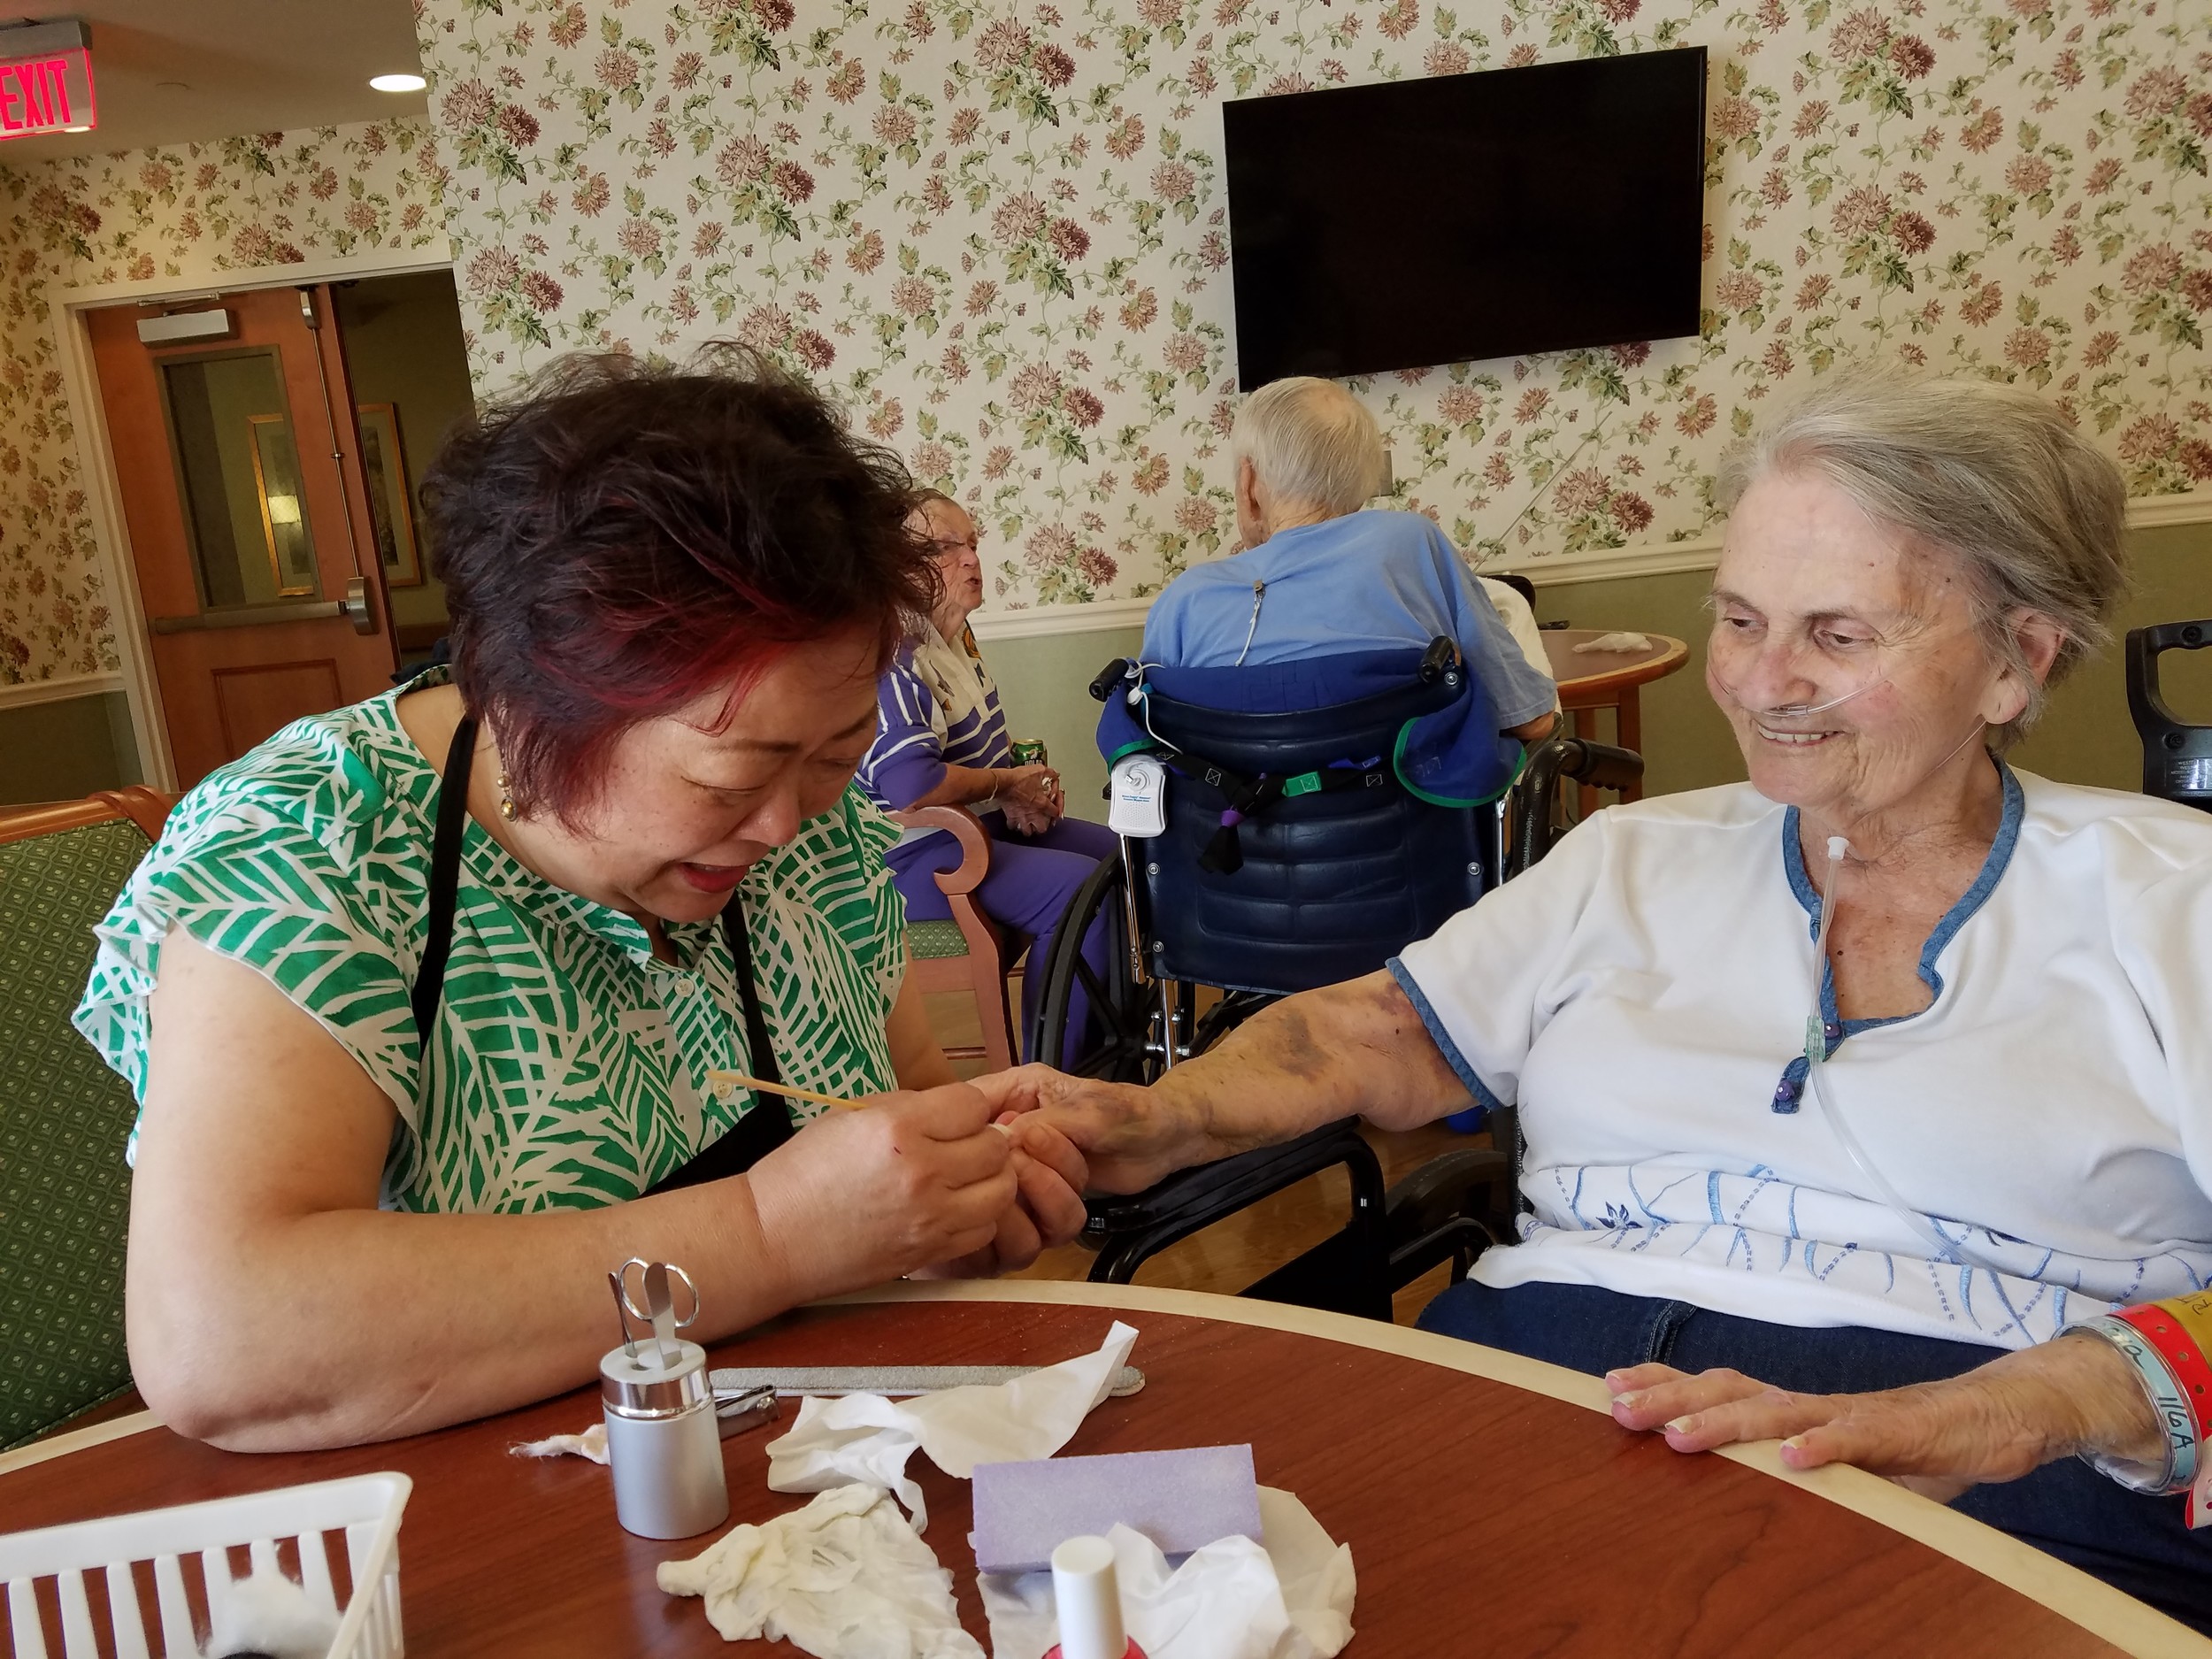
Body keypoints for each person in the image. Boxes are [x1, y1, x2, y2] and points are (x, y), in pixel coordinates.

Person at [983, 371, 2212, 1628]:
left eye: (1838, 635)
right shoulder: (1632, 857)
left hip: (1993, 1451)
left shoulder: (2175, 899)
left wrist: (2004, 1412)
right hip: (1561, 1386)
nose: (1761, 680)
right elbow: (1387, 1024)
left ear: (2019, 661)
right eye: (1741, 618)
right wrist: (1150, 1118)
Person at [76, 351, 1088, 1453]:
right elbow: (222, 1339)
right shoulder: (311, 846)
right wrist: (770, 1234)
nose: (790, 826)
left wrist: (948, 1204)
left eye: (837, 758)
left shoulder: (815, 831)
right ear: (524, 703)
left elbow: (899, 1105)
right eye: (731, 778)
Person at [1141, 376, 1558, 740]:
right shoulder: (1411, 543)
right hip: (1410, 826)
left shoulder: (1184, 601)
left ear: (1248, 484)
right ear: (1361, 487)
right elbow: (1529, 721)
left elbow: (1147, 743)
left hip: (1228, 828)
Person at [857, 490, 1117, 1060]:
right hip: (907, 858)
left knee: (1117, 857)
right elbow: (911, 785)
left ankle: (1109, 1040)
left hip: (967, 830)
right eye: (946, 548)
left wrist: (1022, 793)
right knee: (1077, 891)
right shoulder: (890, 653)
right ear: (898, 564)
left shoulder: (954, 641)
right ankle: (1056, 1074)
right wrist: (1006, 786)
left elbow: (983, 755)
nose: (971, 558)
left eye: (972, 543)